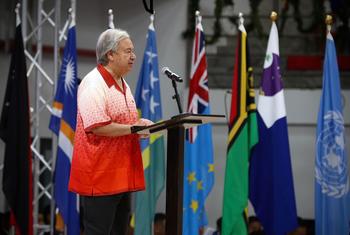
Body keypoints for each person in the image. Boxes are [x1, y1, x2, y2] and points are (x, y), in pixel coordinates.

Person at [68, 28, 153, 235]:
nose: (133, 56)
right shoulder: (93, 83)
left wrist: (139, 123)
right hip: (100, 174)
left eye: (133, 51)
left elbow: (125, 122)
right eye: (127, 51)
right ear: (110, 55)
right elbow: (98, 126)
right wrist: (134, 128)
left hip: (122, 173)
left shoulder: (123, 84)